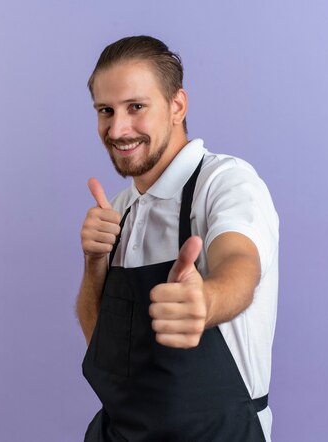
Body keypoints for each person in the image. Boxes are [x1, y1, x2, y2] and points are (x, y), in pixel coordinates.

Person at [77, 35, 279, 442]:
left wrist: (205, 302)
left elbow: (241, 263)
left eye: (136, 107)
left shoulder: (225, 182)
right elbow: (99, 340)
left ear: (177, 106)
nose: (118, 128)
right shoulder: (120, 207)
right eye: (105, 111)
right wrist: (94, 262)